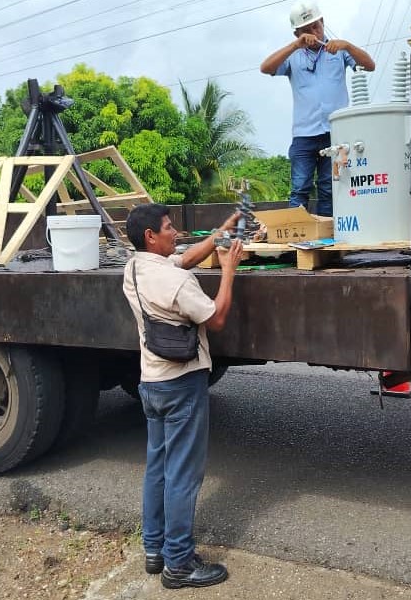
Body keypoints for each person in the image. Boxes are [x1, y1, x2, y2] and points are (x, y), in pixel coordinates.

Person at [122, 203, 244, 590]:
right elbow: (217, 318)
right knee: (183, 476)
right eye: (169, 228)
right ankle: (178, 564)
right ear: (151, 237)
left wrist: (221, 231)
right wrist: (228, 271)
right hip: (181, 385)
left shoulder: (135, 269)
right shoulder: (178, 284)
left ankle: (155, 550)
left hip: (151, 383)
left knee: (157, 468)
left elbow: (184, 259)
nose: (176, 233)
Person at [260, 0, 375, 217]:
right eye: (306, 30)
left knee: (329, 188)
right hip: (304, 135)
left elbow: (370, 65)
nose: (314, 32)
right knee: (300, 187)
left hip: (335, 133)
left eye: (316, 26)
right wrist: (295, 46)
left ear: (323, 22)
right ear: (297, 34)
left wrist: (348, 46)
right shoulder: (293, 55)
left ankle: (328, 240)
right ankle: (298, 237)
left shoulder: (339, 51)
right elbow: (265, 68)